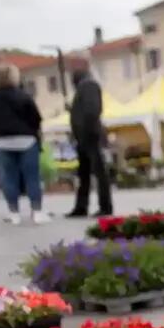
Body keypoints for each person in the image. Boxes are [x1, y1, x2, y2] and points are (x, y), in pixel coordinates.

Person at [0, 64, 48, 225]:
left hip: (3, 141)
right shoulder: (24, 96)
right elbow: (36, 119)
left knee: (8, 177)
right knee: (32, 177)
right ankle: (37, 212)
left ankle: (14, 213)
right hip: (27, 140)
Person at [67, 67, 113, 217]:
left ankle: (104, 207)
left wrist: (87, 130)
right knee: (85, 173)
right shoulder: (86, 87)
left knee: (99, 173)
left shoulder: (89, 86)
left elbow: (92, 111)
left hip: (90, 136)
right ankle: (81, 206)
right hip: (85, 136)